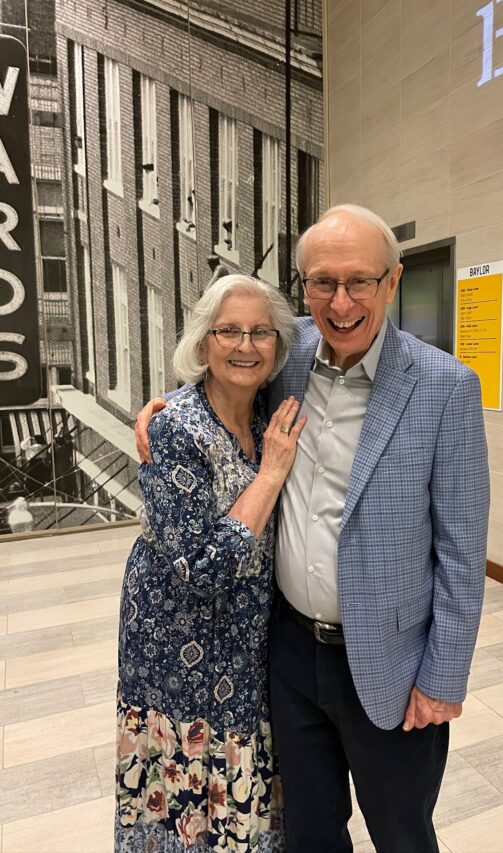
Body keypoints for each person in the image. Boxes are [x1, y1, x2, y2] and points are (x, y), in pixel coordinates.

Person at [136, 205, 490, 853]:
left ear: (393, 280)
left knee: (402, 833)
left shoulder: (446, 388)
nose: (341, 302)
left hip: (389, 659)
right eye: (323, 282)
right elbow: (223, 367)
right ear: (303, 286)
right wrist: (162, 408)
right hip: (290, 654)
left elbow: (462, 551)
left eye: (360, 281)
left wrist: (443, 677)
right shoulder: (286, 349)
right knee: (308, 832)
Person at [117, 274, 305, 852]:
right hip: (178, 645)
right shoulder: (176, 428)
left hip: (247, 643)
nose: (245, 346)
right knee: (187, 796)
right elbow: (200, 569)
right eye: (228, 332)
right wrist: (269, 475)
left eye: (260, 332)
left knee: (244, 785)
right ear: (203, 343)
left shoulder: (266, 414)